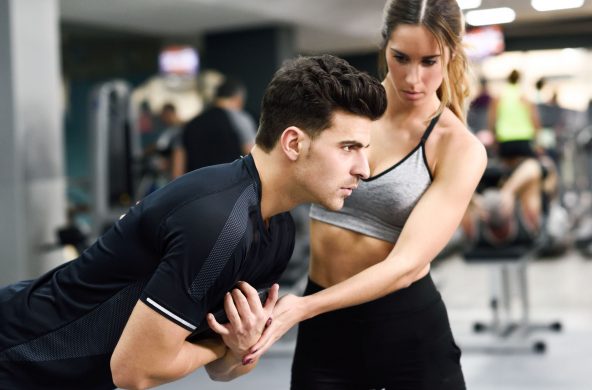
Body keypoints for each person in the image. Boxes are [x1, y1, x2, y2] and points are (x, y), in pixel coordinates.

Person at [0, 54, 387, 389]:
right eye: (348, 148)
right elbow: (134, 371)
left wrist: (235, 347)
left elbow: (228, 369)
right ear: (293, 143)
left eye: (364, 150)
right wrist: (224, 345)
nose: (364, 169)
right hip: (14, 354)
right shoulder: (218, 223)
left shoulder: (277, 231)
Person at [243, 1, 487, 388]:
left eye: (429, 61)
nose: (412, 78)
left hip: (404, 331)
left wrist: (303, 308)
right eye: (401, 57)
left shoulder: (457, 146)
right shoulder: (341, 110)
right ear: (385, 45)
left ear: (452, 54)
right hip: (323, 331)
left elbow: (406, 265)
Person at [172, 77, 257, 178]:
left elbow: (177, 170)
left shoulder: (190, 124)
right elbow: (253, 159)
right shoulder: (240, 119)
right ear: (238, 99)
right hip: (230, 188)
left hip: (198, 189)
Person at [488, 69, 541, 159]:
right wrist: (537, 139)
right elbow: (534, 118)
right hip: (524, 139)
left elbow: (492, 119)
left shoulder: (499, 96)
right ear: (520, 80)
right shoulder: (525, 96)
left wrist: (494, 136)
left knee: (507, 169)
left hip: (505, 139)